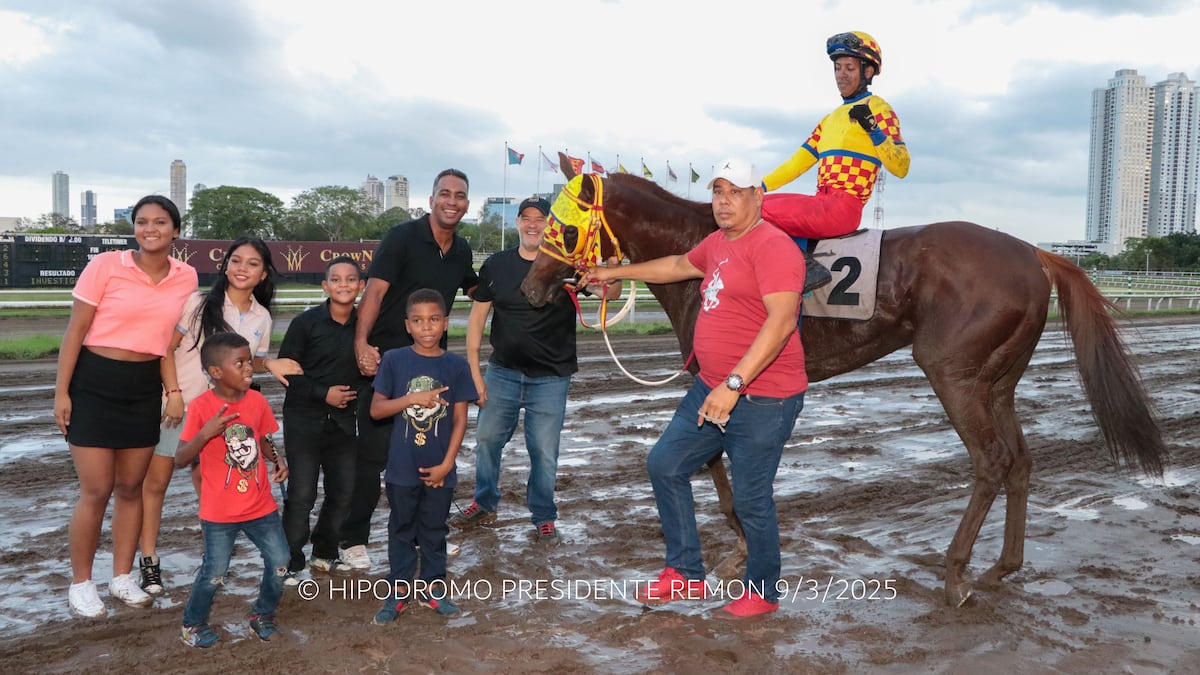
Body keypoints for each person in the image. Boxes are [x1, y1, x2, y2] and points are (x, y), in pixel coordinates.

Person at [585, 159, 807, 619]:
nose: (724, 201)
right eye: (718, 192)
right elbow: (678, 264)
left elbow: (783, 321)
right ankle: (685, 572)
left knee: (751, 500)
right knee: (665, 464)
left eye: (735, 192)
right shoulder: (719, 243)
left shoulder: (774, 247)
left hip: (762, 397)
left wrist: (733, 385)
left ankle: (763, 592)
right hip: (710, 387)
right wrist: (614, 274)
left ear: (758, 196)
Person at [55, 194, 198, 618]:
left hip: (143, 386)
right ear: (134, 228)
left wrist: (173, 390)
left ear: (175, 230)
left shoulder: (186, 276)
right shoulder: (105, 265)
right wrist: (62, 393)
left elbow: (168, 341)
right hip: (94, 382)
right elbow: (75, 331)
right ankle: (82, 584)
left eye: (160, 222)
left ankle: (121, 577)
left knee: (131, 489)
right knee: (97, 489)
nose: (150, 229)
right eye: (142, 221)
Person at [139, 236, 300, 595]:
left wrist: (270, 364)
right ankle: (149, 561)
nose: (243, 268)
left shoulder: (261, 316)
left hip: (224, 415)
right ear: (225, 265)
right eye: (236, 260)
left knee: (210, 488)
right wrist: (174, 395)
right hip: (180, 406)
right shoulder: (198, 303)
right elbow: (166, 350)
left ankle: (212, 559)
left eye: (253, 264)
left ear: (263, 274)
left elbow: (249, 362)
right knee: (157, 483)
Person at [450, 196, 615, 543]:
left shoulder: (566, 265)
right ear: (517, 223)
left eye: (540, 219)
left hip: (551, 379)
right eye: (526, 218)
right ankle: (484, 502)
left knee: (543, 451)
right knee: (486, 440)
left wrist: (612, 262)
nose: (533, 224)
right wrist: (475, 374)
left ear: (551, 226)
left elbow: (610, 293)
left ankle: (543, 515)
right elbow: (477, 321)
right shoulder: (496, 265)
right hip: (502, 373)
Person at [343, 169, 479, 571]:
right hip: (388, 362)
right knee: (373, 457)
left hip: (434, 368)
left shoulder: (462, 250)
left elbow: (479, 288)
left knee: (429, 447)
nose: (452, 201)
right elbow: (375, 292)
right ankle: (353, 539)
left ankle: (429, 534)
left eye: (459, 195)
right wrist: (361, 344)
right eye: (444, 194)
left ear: (466, 204)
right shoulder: (402, 237)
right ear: (431, 199)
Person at [760, 30, 910, 288]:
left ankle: (805, 268)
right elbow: (796, 164)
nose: (842, 74)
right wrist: (757, 187)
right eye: (838, 68)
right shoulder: (828, 120)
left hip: (844, 207)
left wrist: (873, 129)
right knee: (753, 203)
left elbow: (901, 166)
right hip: (821, 201)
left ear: (868, 71)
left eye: (850, 68)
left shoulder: (879, 108)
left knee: (754, 209)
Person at [175, 332, 290, 647]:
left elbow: (263, 438)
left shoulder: (257, 401)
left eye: (249, 361)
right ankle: (192, 624)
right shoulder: (202, 407)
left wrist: (278, 460)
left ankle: (262, 616)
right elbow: (180, 459)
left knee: (281, 562)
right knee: (215, 572)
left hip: (261, 506)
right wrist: (205, 433)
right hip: (220, 513)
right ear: (216, 372)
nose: (249, 368)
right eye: (239, 363)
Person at [370, 289, 477, 624]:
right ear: (408, 326)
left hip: (440, 469)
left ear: (445, 323)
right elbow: (376, 410)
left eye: (433, 319)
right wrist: (413, 398)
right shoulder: (394, 360)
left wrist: (447, 464)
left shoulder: (456, 365)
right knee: (401, 528)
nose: (426, 327)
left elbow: (460, 419)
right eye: (418, 320)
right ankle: (398, 591)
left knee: (434, 530)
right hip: (401, 468)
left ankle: (433, 588)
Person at [277, 256, 367, 583]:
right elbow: (287, 372)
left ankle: (325, 552)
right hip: (304, 420)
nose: (344, 285)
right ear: (325, 286)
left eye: (351, 279)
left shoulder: (365, 327)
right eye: (336, 279)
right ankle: (289, 561)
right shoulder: (306, 323)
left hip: (343, 423)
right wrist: (323, 393)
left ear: (361, 286)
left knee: (343, 491)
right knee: (302, 495)